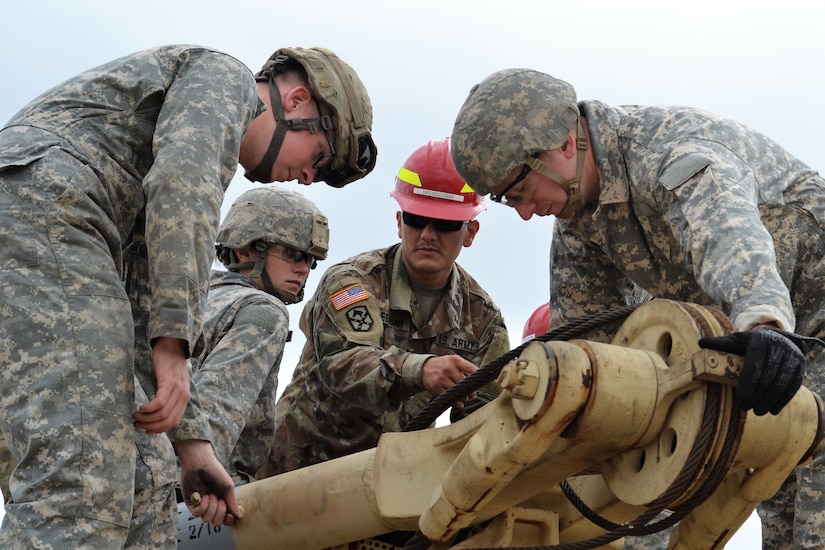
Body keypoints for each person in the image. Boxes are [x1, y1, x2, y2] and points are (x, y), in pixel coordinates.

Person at [0, 44, 375, 547]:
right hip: (38, 211)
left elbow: (138, 299)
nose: (309, 178)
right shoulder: (225, 80)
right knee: (81, 477)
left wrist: (193, 447)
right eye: (321, 158)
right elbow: (186, 185)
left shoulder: (129, 192)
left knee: (141, 475)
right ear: (299, 100)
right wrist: (174, 345)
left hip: (41, 236)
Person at [449, 68, 824, 549]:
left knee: (814, 487)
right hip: (767, 345)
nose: (523, 212)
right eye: (507, 201)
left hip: (802, 317)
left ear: (563, 143)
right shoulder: (577, 224)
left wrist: (764, 322)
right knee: (776, 490)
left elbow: (729, 238)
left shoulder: (668, 154)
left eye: (520, 190)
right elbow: (583, 354)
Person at [259, 138, 510, 478]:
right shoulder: (352, 282)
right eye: (417, 218)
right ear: (399, 221)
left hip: (390, 489)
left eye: (447, 224)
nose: (428, 235)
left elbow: (483, 426)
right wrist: (421, 370)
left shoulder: (483, 321)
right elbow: (344, 365)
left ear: (470, 232)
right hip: (296, 477)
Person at [192, 186, 328, 487]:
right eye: (292, 253)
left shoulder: (195, 296)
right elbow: (216, 403)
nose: (304, 268)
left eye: (310, 259)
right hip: (204, 486)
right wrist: (198, 478)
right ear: (245, 250)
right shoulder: (264, 309)